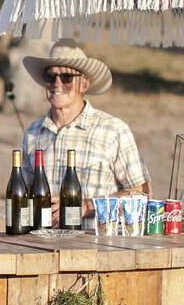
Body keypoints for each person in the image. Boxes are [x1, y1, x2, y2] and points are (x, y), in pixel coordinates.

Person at [20, 39, 151, 220]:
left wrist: (89, 206)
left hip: (97, 244)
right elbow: (22, 195)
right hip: (42, 244)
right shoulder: (33, 133)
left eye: (67, 77)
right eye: (50, 77)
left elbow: (143, 196)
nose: (57, 83)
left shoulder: (113, 131)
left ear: (84, 85)